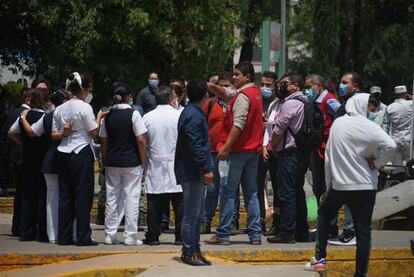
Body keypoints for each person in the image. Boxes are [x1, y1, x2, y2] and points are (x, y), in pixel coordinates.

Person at [305, 93, 396, 276]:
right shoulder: (371, 127)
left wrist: (328, 184)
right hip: (366, 186)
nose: (371, 110)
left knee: (324, 213)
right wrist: (377, 163)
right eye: (369, 107)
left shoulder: (338, 123)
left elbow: (329, 158)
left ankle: (320, 259)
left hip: (341, 185)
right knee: (363, 232)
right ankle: (360, 273)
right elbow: (391, 146)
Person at [205, 62, 262, 245]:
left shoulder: (243, 97)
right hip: (252, 150)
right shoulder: (253, 93)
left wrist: (226, 147)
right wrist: (211, 86)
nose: (234, 78)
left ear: (248, 76)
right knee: (251, 193)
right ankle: (255, 235)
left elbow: (238, 124)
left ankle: (223, 234)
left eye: (238, 75)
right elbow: (228, 93)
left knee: (229, 192)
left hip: (238, 151)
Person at [52, 72, 104, 246]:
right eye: (88, 89)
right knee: (83, 195)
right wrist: (99, 117)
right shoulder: (84, 107)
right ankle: (83, 236)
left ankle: (64, 236)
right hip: (81, 152)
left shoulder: (59, 108)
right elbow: (93, 132)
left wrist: (65, 133)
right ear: (83, 89)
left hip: (62, 152)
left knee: (65, 196)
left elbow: (54, 134)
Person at [18, 88, 73, 244]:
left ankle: (51, 235)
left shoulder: (47, 117)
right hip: (67, 158)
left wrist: (23, 119)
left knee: (51, 197)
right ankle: (68, 232)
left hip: (49, 159)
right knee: (68, 197)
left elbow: (31, 132)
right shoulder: (72, 115)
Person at [99, 83, 147, 246]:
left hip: (112, 162)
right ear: (128, 97)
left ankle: (109, 234)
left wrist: (105, 160)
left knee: (111, 198)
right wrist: (143, 162)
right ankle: (130, 236)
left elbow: (103, 140)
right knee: (131, 198)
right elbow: (141, 140)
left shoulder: (107, 116)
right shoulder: (134, 115)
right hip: (131, 163)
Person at [267, 73, 310, 244]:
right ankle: (302, 231)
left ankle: (287, 232)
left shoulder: (290, 103)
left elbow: (279, 128)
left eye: (286, 83)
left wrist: (274, 146)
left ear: (295, 86)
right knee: (298, 192)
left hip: (289, 154)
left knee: (287, 194)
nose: (281, 86)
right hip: (302, 153)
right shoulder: (306, 102)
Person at [175, 79, 213, 266]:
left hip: (193, 170)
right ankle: (188, 251)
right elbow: (195, 145)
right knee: (191, 215)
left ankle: (195, 249)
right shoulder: (194, 115)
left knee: (197, 214)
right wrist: (206, 168)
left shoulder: (192, 113)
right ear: (206, 95)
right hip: (192, 171)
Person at [143, 86, 183, 246]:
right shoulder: (179, 115)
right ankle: (180, 236)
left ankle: (153, 236)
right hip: (175, 162)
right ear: (170, 99)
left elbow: (143, 142)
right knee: (179, 202)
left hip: (155, 162)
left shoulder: (148, 117)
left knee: (154, 200)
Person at [328, 72, 364, 246]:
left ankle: (350, 231)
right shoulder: (349, 102)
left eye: (345, 82)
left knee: (351, 195)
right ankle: (350, 230)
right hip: (348, 155)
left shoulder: (354, 103)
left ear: (354, 86)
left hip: (352, 156)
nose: (341, 85)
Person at [8, 88, 48, 242]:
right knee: (40, 195)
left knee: (26, 195)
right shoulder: (43, 117)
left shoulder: (23, 116)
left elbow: (11, 133)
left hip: (27, 158)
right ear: (43, 101)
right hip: (41, 158)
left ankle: (25, 231)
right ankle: (39, 230)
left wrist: (24, 143)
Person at [304, 74, 341, 239]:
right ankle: (324, 227)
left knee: (327, 191)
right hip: (318, 152)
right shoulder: (314, 102)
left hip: (328, 152)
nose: (307, 90)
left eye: (309, 86)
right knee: (318, 189)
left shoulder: (329, 101)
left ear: (318, 86)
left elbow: (342, 119)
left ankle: (330, 228)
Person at [200, 72, 232, 234]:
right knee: (212, 188)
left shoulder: (237, 103)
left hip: (230, 153)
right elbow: (201, 123)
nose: (224, 89)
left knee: (228, 189)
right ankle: (206, 221)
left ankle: (229, 223)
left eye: (228, 86)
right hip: (212, 152)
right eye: (222, 86)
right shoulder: (211, 103)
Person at [257, 71, 277, 234]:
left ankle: (277, 223)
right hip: (258, 149)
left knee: (278, 187)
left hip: (275, 150)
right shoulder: (257, 101)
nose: (264, 88)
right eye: (262, 84)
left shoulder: (278, 103)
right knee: (258, 185)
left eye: (268, 85)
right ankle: (261, 222)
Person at [8, 88, 31, 236]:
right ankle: (23, 226)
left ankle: (16, 226)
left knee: (19, 192)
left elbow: (8, 132)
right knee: (26, 193)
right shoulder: (26, 113)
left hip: (15, 156)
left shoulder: (13, 111)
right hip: (25, 156)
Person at [382, 85, 413, 174]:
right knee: (410, 165)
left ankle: (398, 182)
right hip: (409, 140)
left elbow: (386, 126)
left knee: (397, 167)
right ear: (405, 93)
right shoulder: (411, 104)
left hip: (395, 139)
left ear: (395, 94)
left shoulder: (389, 107)